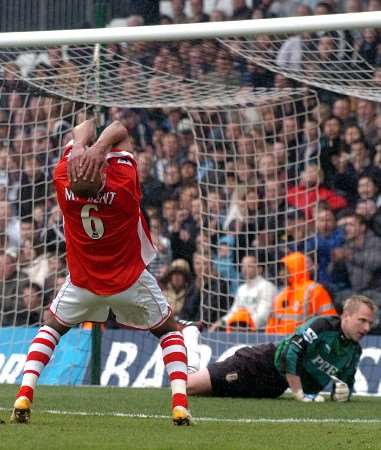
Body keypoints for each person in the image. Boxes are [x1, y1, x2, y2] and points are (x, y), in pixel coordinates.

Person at [11, 119, 191, 426]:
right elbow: (118, 127)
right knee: (169, 331)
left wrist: (81, 147)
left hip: (84, 281)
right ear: (102, 171)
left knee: (52, 326)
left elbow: (84, 125)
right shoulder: (123, 185)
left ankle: (25, 391)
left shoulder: (62, 181)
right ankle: (179, 403)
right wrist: (99, 149)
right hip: (130, 280)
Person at [187, 295, 378, 401]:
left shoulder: (354, 351)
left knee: (207, 395)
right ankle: (190, 342)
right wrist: (298, 393)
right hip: (259, 364)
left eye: (370, 323)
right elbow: (290, 354)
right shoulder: (322, 326)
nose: (367, 328)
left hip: (273, 388)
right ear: (346, 316)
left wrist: (344, 394)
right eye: (362, 321)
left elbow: (346, 383)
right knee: (189, 387)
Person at [265, 252, 336, 334]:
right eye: (281, 270)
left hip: (306, 344)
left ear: (295, 269)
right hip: (280, 343)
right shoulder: (282, 294)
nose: (281, 273)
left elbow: (330, 320)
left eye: (285, 270)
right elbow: (272, 324)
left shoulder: (315, 290)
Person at [209, 255, 278, 332]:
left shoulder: (267, 286)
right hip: (238, 328)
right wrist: (222, 322)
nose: (245, 269)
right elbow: (233, 311)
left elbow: (263, 315)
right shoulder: (241, 289)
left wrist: (243, 325)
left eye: (249, 266)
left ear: (259, 269)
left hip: (259, 332)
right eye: (243, 266)